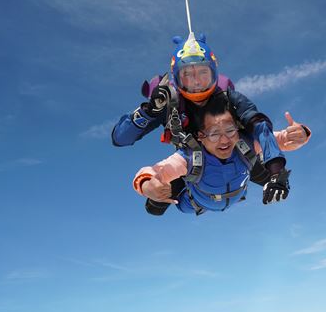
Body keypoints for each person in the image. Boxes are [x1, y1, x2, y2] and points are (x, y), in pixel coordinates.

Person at [112, 33, 311, 213]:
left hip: (235, 154)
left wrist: (295, 137)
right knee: (155, 205)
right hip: (192, 162)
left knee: (265, 170)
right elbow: (121, 138)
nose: (197, 82)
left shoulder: (230, 99)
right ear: (177, 78)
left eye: (203, 73)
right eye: (187, 75)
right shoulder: (168, 103)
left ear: (214, 72)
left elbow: (259, 125)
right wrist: (148, 111)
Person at [132, 93, 310, 215]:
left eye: (230, 131)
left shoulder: (245, 143)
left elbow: (281, 139)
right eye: (214, 134)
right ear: (201, 136)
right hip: (195, 203)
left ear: (237, 131)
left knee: (259, 163)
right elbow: (156, 170)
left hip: (233, 191)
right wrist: (147, 185)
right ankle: (159, 198)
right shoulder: (189, 157)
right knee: (156, 207)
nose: (224, 140)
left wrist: (300, 134)